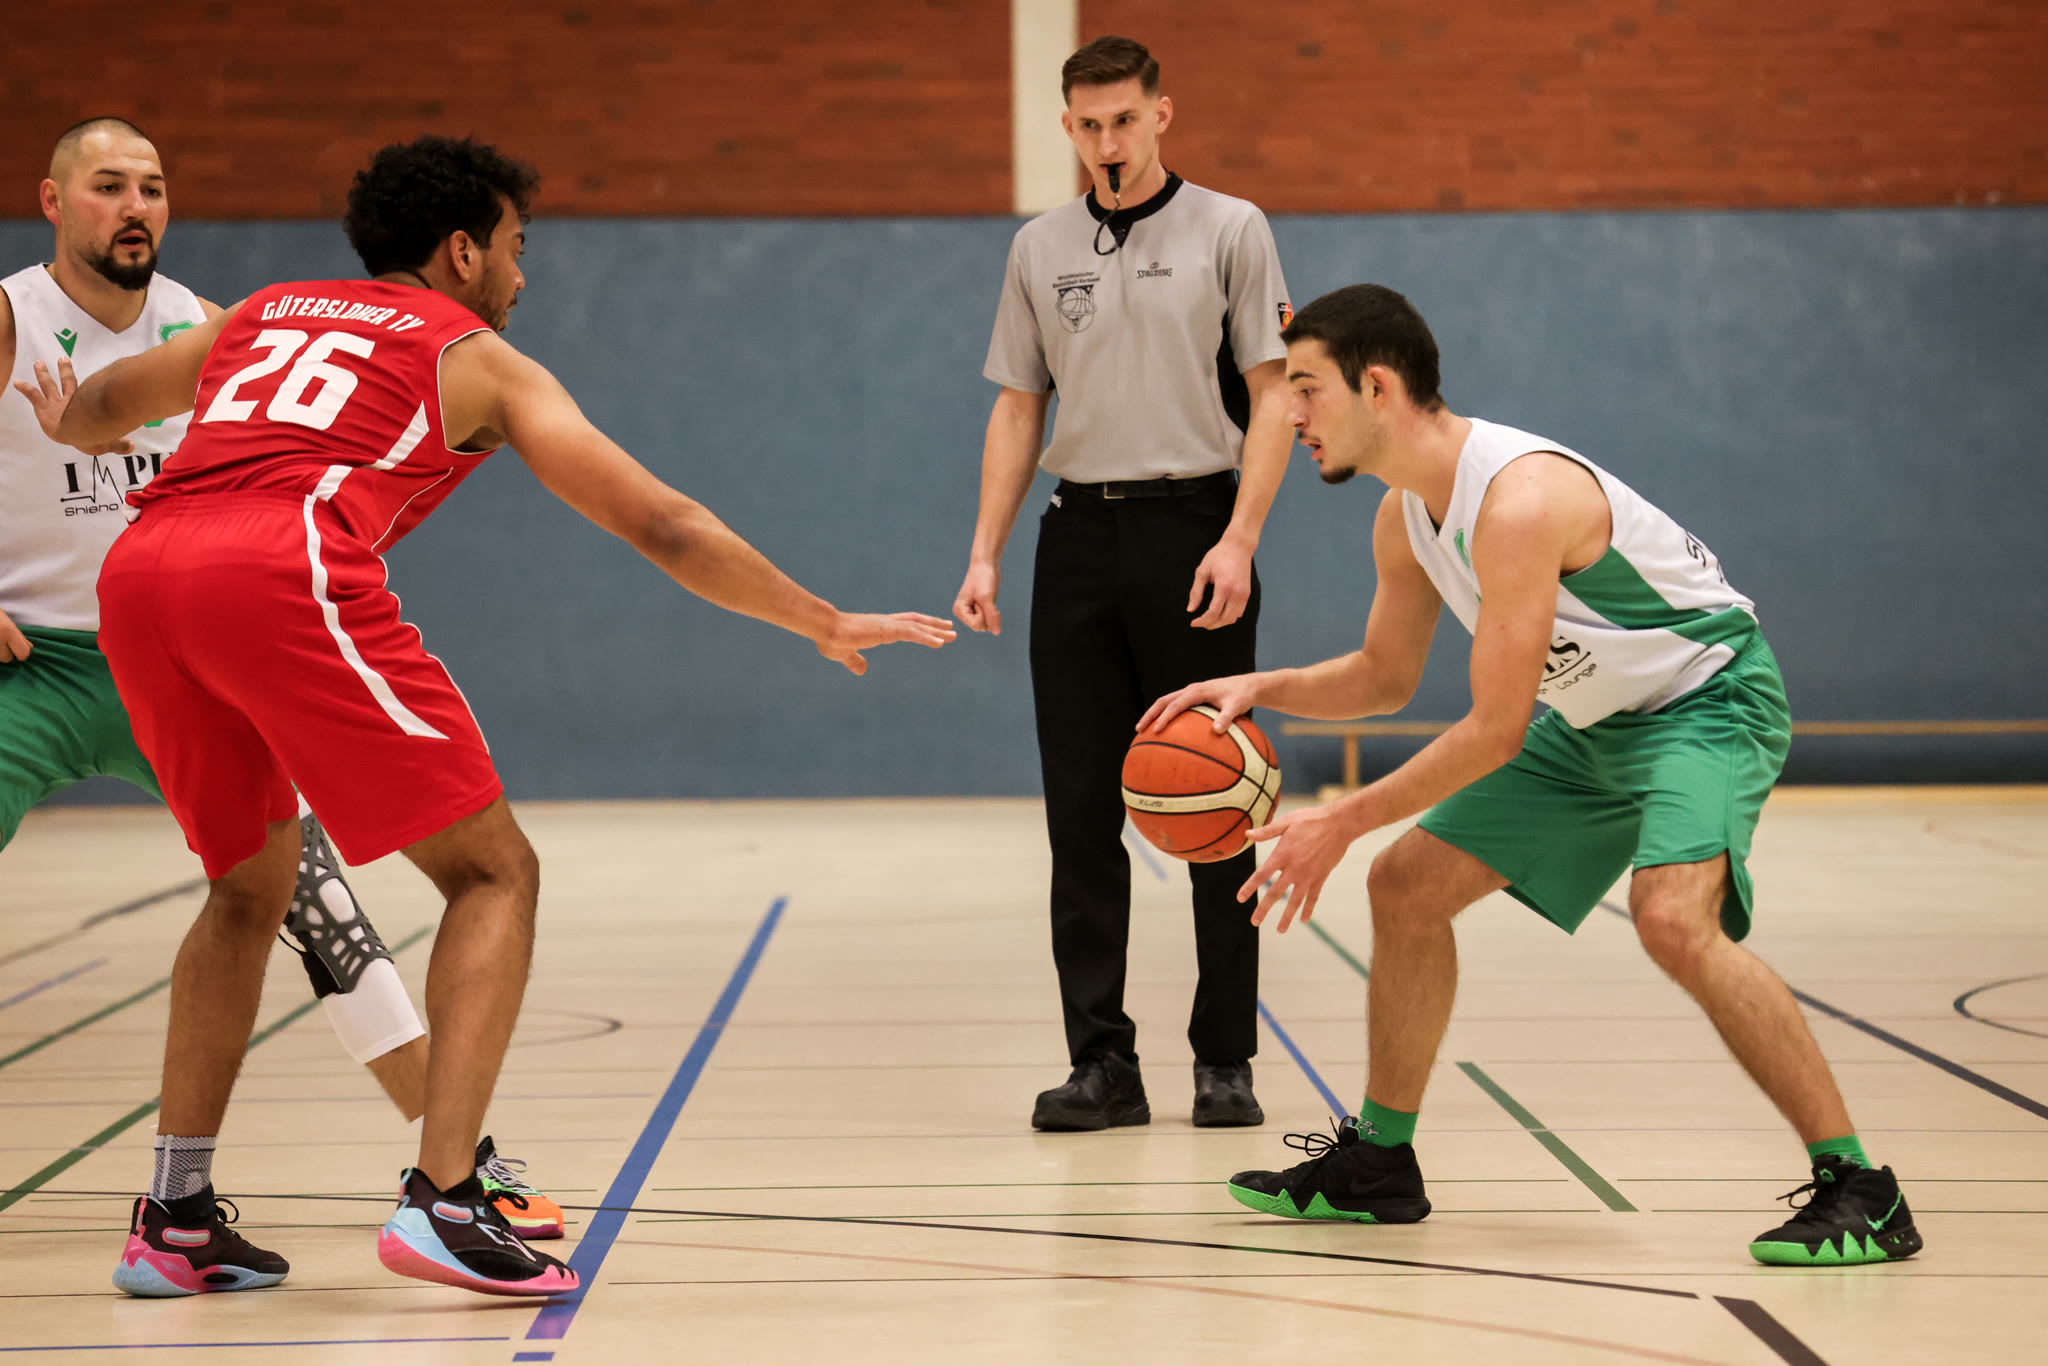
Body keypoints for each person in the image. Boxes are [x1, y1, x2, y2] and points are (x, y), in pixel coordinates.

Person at [19, 133, 954, 1298]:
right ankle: (446, 1198)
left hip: (141, 578)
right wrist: (816, 617)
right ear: (461, 252)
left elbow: (102, 406)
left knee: (247, 890)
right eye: (515, 247)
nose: (521, 273)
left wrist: (67, 423)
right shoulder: (475, 358)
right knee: (492, 871)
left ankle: (174, 1218)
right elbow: (663, 524)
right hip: (279, 567)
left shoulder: (262, 311)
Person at [1143, 283, 1921, 1266]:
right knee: (1406, 885)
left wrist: (1339, 821)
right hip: (1598, 721)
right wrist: (1263, 686)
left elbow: (1495, 730)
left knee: (1671, 920)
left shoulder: (1516, 502)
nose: (1289, 413)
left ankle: (1862, 1188)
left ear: (1376, 387)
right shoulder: (1404, 516)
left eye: (1306, 387)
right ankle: (1379, 1163)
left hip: (1706, 698)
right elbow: (1382, 676)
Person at [0, 117, 565, 1246]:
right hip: (37, 663)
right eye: (109, 185)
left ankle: (456, 1160)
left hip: (179, 650)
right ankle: (439, 1194)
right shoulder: (14, 314)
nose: (135, 207)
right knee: (469, 875)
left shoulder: (215, 322)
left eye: (153, 186)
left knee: (307, 905)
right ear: (55, 202)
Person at [955, 36, 1295, 1131]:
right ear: (1068, 128)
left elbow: (1274, 393)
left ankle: (1224, 1059)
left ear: (1161, 116)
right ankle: (1101, 1062)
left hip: (1195, 531)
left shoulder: (1231, 229)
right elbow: (1019, 406)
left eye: (1124, 120)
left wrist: (1239, 536)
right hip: (1076, 540)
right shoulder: (1037, 247)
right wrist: (985, 550)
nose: (1107, 141)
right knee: (1079, 817)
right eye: (1089, 125)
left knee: (1220, 802)